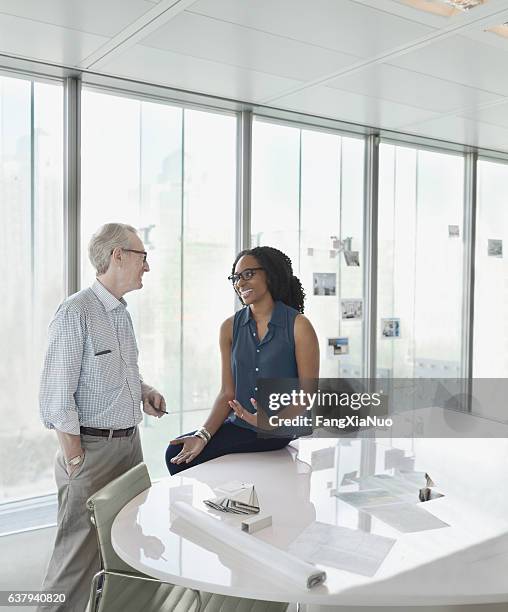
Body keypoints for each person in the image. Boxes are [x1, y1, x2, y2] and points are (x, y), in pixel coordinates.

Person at [37, 223, 166, 612]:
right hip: (92, 453)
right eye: (142, 256)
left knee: (126, 549)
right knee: (75, 562)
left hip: (130, 448)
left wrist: (144, 392)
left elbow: (119, 371)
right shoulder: (75, 312)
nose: (147, 266)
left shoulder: (121, 315)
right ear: (118, 256)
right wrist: (76, 458)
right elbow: (56, 398)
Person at [166, 246, 319, 474]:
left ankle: (227, 501)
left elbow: (307, 393)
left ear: (270, 274)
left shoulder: (298, 325)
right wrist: (202, 435)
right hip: (240, 425)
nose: (240, 283)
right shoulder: (229, 328)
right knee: (177, 453)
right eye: (236, 278)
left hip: (280, 427)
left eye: (249, 274)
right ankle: (227, 501)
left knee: (181, 458)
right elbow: (227, 393)